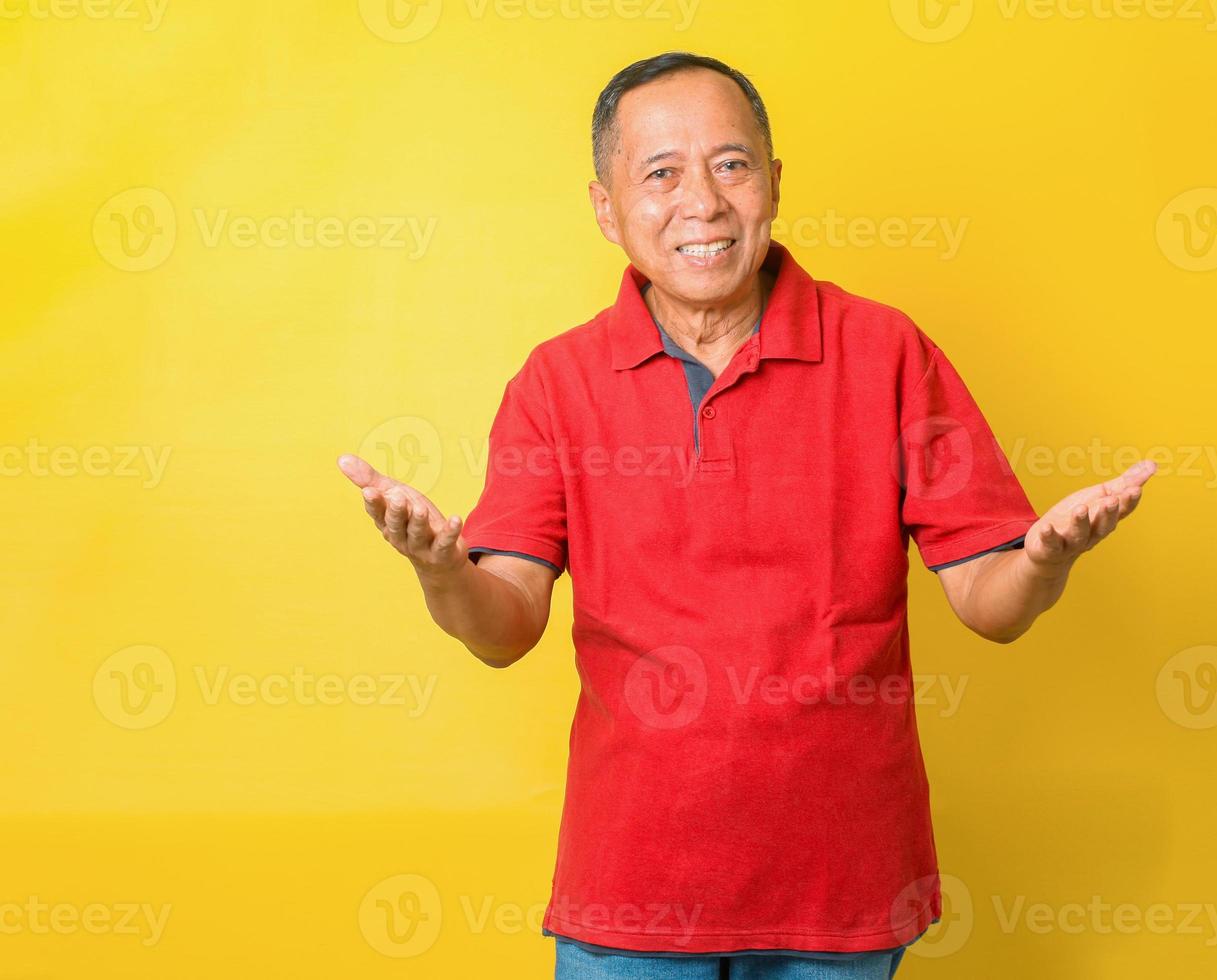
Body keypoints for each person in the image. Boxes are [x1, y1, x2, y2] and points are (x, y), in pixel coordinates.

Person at [337, 51, 1154, 980]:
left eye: (730, 164)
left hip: (841, 886)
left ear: (773, 182)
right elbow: (504, 627)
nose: (704, 202)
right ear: (606, 209)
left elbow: (988, 601)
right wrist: (441, 570)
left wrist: (1044, 560)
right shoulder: (555, 384)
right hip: (629, 896)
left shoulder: (886, 352)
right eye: (660, 173)